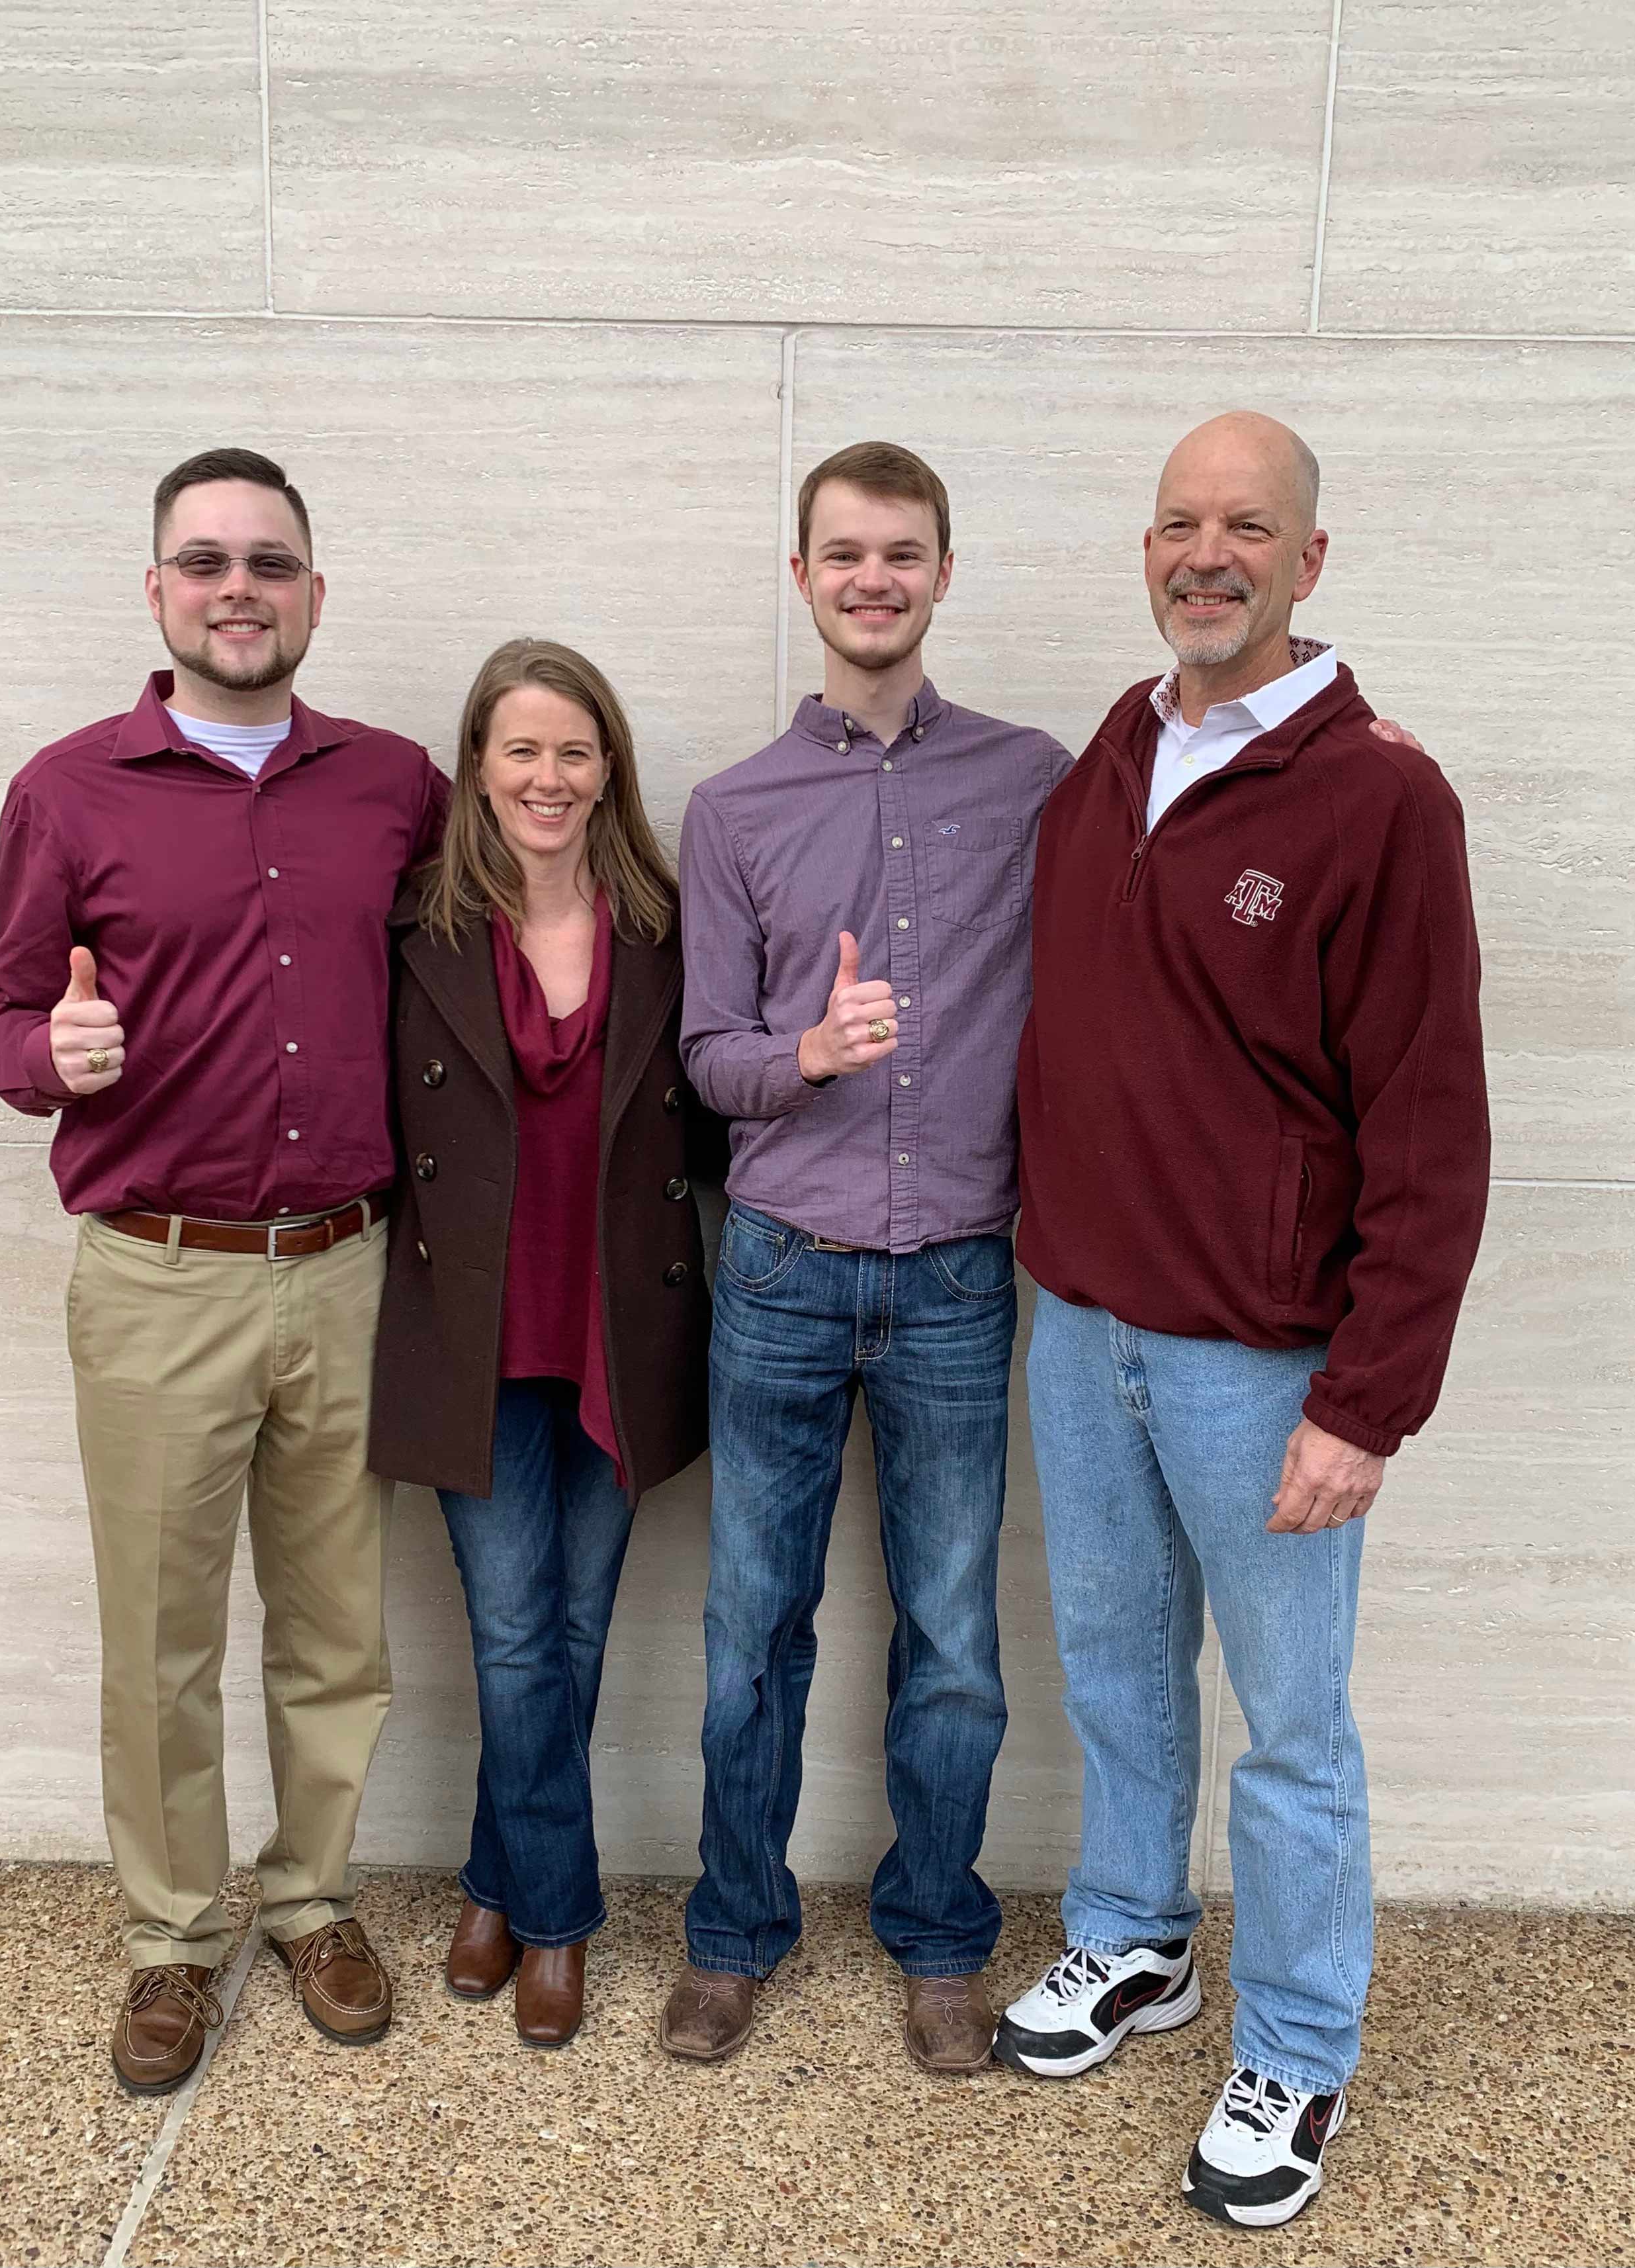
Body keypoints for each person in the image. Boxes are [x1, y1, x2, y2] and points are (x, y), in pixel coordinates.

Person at [1002, 412, 1489, 2227]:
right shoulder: (1116, 751)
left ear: (1309, 558)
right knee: (1115, 1670)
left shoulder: (1378, 800)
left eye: (1246, 528)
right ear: (1148, 550)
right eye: (1179, 525)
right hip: (1085, 1327)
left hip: (1260, 1359)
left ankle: (1295, 2038)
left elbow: (1431, 1127)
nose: (1206, 554)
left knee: (1290, 1727)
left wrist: (1368, 1399)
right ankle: (1137, 1936)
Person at [0, 448, 448, 2094]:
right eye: (204, 560)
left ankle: (311, 1901)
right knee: (160, 1636)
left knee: (334, 1631)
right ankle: (173, 1939)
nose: (237, 586)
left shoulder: (392, 786)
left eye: (270, 560)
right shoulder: (69, 787)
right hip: (157, 1275)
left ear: (315, 590)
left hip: (349, 1270)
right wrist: (55, 1050)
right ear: (156, 589)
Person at [661, 443, 1071, 2075]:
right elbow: (704, 1055)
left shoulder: (1041, 777)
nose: (873, 580)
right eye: (844, 555)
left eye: (902, 554)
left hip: (960, 1279)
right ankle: (731, 1936)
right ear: (803, 576)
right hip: (776, 1269)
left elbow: (1203, 775)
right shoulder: (735, 807)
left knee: (954, 1635)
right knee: (751, 1624)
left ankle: (941, 1940)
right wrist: (808, 1052)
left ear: (943, 574)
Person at [368, 638, 717, 2050]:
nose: (548, 777)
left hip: (618, 1331)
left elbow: (718, 1111)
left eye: (574, 751)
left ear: (609, 770)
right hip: (473, 1332)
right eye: (521, 750)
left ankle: (495, 1884)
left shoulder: (666, 927)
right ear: (477, 769)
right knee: (514, 1638)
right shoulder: (415, 928)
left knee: (566, 1634)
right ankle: (560, 1919)